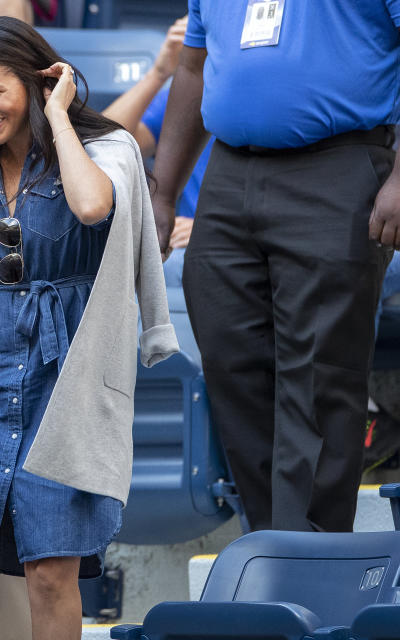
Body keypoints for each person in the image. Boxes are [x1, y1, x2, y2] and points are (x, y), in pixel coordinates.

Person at [0, 17, 176, 639]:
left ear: (34, 81)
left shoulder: (106, 150)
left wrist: (59, 115)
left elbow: (90, 205)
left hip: (66, 378)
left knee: (52, 569)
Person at [151, 1, 400, 532]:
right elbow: (193, 67)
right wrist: (164, 191)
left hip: (338, 163)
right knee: (231, 363)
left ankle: (309, 559)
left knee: (318, 379)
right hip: (229, 172)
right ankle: (269, 546)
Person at [101, 15, 209, 286]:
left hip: (225, 238)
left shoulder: (266, 94)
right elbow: (105, 144)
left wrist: (204, 227)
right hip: (183, 244)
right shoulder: (190, 92)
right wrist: (160, 72)